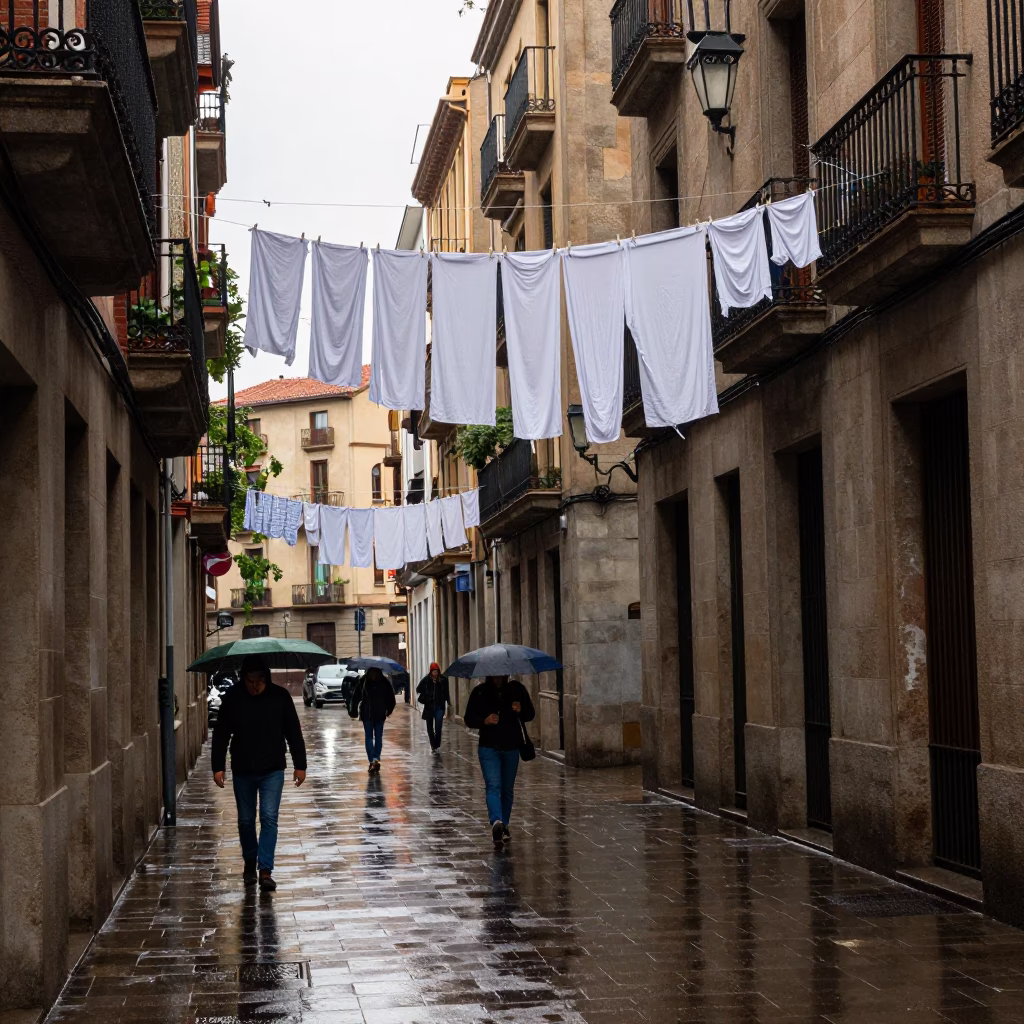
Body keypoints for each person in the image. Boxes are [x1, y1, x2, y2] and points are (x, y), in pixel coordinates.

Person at [212, 655, 306, 891]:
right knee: (245, 820)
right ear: (243, 678)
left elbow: (293, 731)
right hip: (243, 768)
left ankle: (265, 870)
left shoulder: (280, 697)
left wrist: (300, 764)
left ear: (267, 678)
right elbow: (221, 732)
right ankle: (249, 862)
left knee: (268, 817)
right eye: (250, 680)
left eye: (259, 681)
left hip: (272, 768)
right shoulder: (233, 698)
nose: (255, 685)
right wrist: (218, 766)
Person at [463, 674, 535, 844]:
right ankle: (496, 821)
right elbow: (469, 719)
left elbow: (530, 713)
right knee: (493, 785)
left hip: (512, 747)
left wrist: (521, 709)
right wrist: (484, 721)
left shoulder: (517, 689)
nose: (498, 676)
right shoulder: (480, 692)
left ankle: (504, 823)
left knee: (507, 788)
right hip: (489, 747)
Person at [356, 667, 396, 773]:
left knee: (369, 737)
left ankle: (372, 760)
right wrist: (389, 709)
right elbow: (391, 698)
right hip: (378, 713)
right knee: (378, 736)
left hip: (367, 713)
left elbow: (355, 696)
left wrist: (353, 710)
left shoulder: (363, 681)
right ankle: (375, 758)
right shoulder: (384, 681)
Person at [416, 662, 451, 753]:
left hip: (440, 707)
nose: (435, 673)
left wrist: (448, 701)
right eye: (433, 671)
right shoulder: (426, 680)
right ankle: (433, 745)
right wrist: (427, 693)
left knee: (438, 728)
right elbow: (418, 689)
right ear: (431, 672)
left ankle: (437, 745)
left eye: (436, 671)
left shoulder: (443, 680)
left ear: (438, 671)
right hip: (429, 707)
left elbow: (446, 692)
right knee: (430, 729)